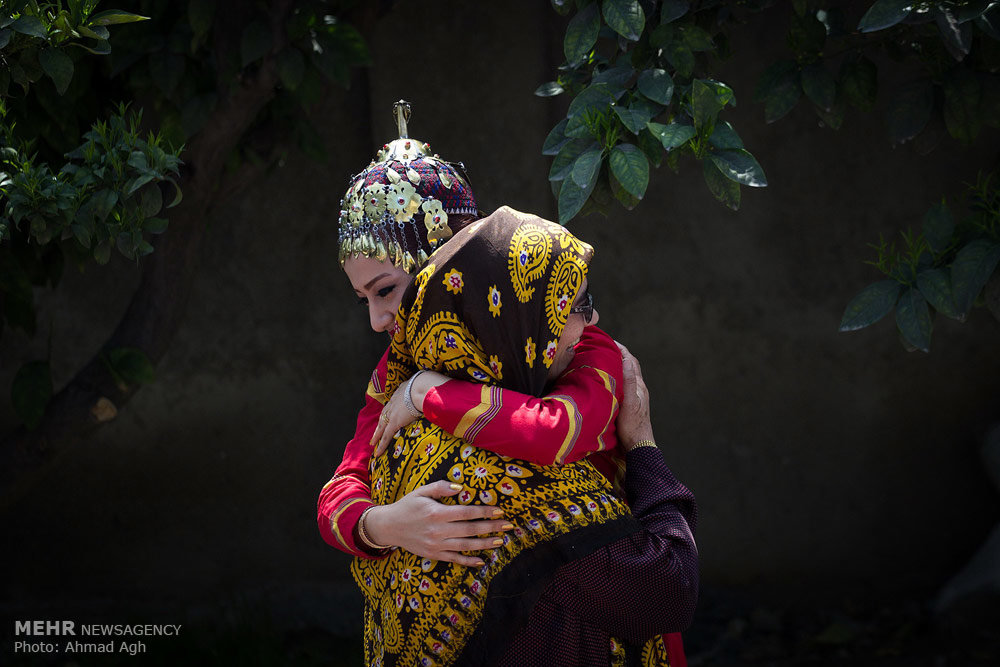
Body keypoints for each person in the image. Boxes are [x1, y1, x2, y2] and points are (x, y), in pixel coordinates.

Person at [350, 207, 697, 666]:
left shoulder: (407, 427)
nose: (591, 322)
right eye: (575, 307)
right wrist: (644, 448)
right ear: (517, 323)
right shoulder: (527, 479)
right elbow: (668, 590)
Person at [320, 102, 628, 566]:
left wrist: (429, 393)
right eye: (364, 300)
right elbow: (341, 489)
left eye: (386, 291)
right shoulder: (395, 369)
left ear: (445, 268)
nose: (377, 320)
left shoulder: (572, 336)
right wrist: (386, 525)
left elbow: (558, 431)